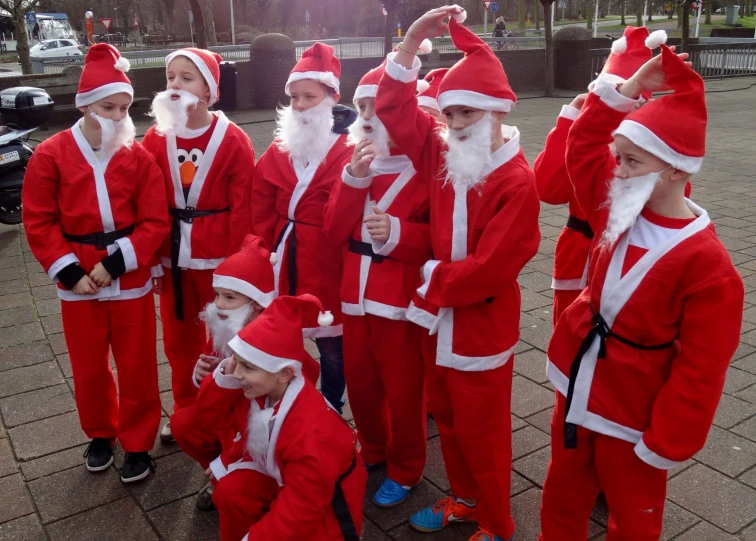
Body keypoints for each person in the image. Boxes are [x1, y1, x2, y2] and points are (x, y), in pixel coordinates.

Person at [539, 45, 744, 540]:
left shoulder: (710, 269)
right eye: (619, 159)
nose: (619, 171)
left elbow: (702, 367)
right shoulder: (619, 211)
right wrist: (626, 90)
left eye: (631, 162)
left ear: (676, 168)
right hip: (580, 379)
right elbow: (582, 147)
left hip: (635, 405)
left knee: (634, 515)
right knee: (561, 494)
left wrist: (666, 439)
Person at [375, 6, 541, 541]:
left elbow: (491, 268)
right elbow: (397, 112)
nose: (455, 126)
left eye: (468, 114)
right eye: (450, 116)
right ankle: (465, 500)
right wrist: (412, 43)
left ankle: (497, 521)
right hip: (438, 322)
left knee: (484, 432)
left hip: (478, 327)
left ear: (495, 112)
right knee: (447, 420)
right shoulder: (446, 154)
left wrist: (428, 280)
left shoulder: (517, 181)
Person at [22, 43, 170, 483]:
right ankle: (101, 433)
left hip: (129, 277)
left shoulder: (137, 156)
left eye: (125, 108)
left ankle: (139, 443)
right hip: (78, 278)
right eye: (109, 107)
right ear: (85, 104)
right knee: (88, 366)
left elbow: (154, 218)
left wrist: (118, 262)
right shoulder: (50, 154)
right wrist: (67, 269)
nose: (118, 117)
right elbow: (39, 219)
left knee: (138, 364)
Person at [323, 54, 432, 508]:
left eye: (378, 108)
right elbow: (332, 229)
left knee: (404, 389)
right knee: (362, 384)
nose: (368, 118)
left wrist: (401, 234)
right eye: (362, 108)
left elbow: (438, 241)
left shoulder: (426, 171)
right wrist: (353, 179)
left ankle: (407, 466)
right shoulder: (353, 165)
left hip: (399, 302)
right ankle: (372, 448)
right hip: (355, 296)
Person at [141, 47, 255, 443]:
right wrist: (154, 258)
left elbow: (244, 207)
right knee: (177, 340)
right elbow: (148, 203)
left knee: (224, 336)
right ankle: (186, 408)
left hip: (218, 259)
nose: (174, 85)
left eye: (186, 78)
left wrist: (239, 265)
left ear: (208, 91)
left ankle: (223, 406)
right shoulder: (155, 139)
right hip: (172, 256)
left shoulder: (234, 140)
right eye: (170, 76)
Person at [188, 294, 366, 541]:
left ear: (284, 373)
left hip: (328, 510)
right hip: (289, 481)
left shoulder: (313, 434)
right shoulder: (264, 386)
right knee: (231, 491)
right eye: (235, 361)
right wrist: (224, 377)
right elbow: (208, 419)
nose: (237, 374)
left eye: (247, 367)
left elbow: (301, 510)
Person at [171, 233, 320, 510]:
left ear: (257, 304)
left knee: (239, 486)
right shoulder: (225, 327)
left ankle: (251, 485)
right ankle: (219, 474)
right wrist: (201, 374)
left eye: (229, 297)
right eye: (217, 295)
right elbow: (211, 375)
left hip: (262, 425)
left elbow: (304, 376)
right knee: (183, 423)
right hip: (229, 418)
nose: (219, 305)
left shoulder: (276, 335)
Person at [534, 27, 670, 325]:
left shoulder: (656, 148)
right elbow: (548, 189)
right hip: (577, 255)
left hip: (627, 257)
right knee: (568, 339)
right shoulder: (579, 135)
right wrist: (568, 121)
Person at [252, 43, 356, 412]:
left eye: (308, 97)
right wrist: (263, 245)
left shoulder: (350, 148)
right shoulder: (281, 146)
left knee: (332, 342)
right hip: (284, 253)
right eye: (294, 97)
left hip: (327, 257)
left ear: (332, 96)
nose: (298, 105)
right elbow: (260, 196)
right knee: (283, 333)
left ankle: (331, 403)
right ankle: (288, 403)